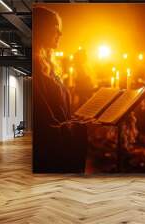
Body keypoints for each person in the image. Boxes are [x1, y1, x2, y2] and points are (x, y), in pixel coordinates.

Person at [33, 7, 86, 173]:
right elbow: (46, 129)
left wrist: (78, 121)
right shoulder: (36, 68)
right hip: (51, 159)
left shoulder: (46, 65)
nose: (61, 34)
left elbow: (60, 113)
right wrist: (82, 128)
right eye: (56, 28)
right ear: (41, 30)